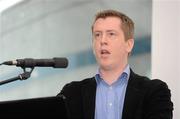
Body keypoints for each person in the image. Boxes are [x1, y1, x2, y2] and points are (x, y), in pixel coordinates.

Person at [57, 9, 173, 119]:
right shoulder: (71, 93)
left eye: (111, 34)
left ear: (129, 44)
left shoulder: (155, 92)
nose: (102, 40)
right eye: (97, 35)